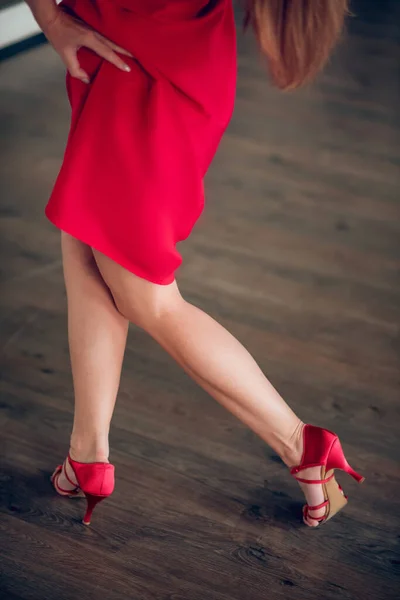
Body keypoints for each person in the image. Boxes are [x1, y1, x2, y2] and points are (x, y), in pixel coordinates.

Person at [25, 0, 363, 527]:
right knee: (86, 236)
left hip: (138, 68)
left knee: (146, 296)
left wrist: (48, 16)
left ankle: (303, 445)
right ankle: (87, 452)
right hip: (156, 59)